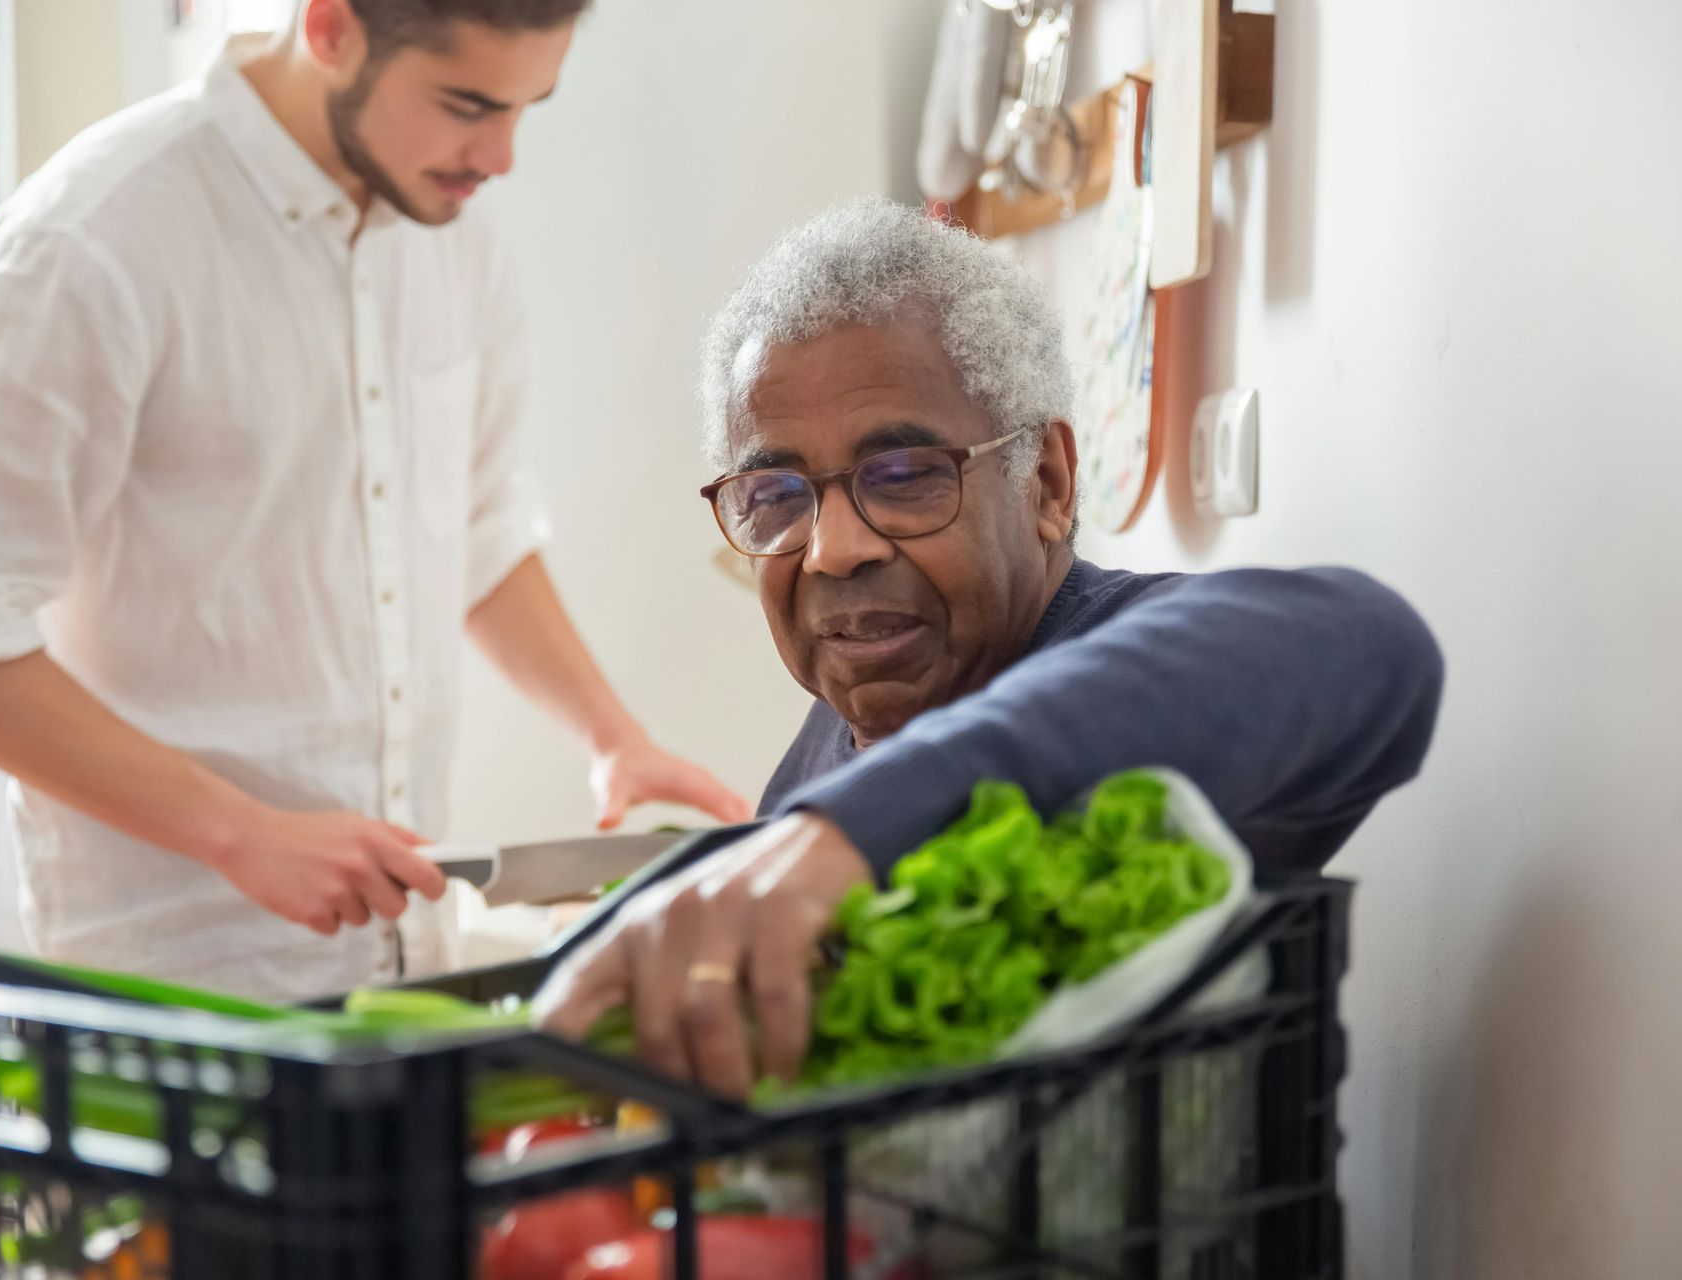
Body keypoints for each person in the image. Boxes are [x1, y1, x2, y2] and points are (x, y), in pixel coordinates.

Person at [0, 0, 748, 1001]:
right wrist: (244, 833)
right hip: (152, 985)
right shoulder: (95, 235)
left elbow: (477, 523)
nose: (499, 157)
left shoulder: (453, 229)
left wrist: (612, 738)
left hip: (402, 963)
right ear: (330, 29)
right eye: (465, 104)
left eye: (526, 108)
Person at [536, 198, 1444, 1097]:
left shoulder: (1143, 673)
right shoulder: (828, 745)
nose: (833, 548)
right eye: (776, 496)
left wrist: (860, 828)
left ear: (1046, 482)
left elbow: (1371, 645)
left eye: (904, 477)